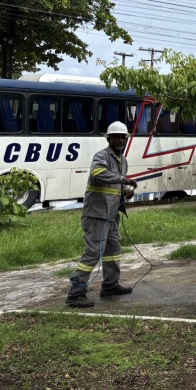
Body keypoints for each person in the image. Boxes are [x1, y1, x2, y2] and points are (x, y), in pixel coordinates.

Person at [66, 121, 138, 308]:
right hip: (97, 214)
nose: (120, 140)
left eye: (123, 137)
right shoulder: (102, 156)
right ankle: (76, 292)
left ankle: (110, 286)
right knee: (93, 252)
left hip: (111, 215)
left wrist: (124, 192)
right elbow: (98, 174)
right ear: (109, 139)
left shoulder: (122, 160)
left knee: (113, 251)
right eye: (117, 137)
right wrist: (123, 179)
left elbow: (113, 186)